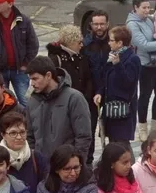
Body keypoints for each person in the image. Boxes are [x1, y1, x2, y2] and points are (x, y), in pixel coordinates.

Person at [26, 56, 93, 161]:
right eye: (30, 79)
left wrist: (75, 165)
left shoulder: (74, 98)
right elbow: (29, 136)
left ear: (48, 75)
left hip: (67, 167)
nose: (32, 84)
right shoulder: (32, 101)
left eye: (35, 79)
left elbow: (83, 136)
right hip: (41, 168)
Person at [0, 0, 39, 108]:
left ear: (10, 4)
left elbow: (33, 44)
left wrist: (26, 63)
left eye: (0, 2)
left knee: (25, 102)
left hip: (20, 70)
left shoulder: (24, 21)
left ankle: (28, 124)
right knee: (2, 103)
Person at [127, 0, 156, 141]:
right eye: (144, 8)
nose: (147, 10)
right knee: (145, 96)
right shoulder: (132, 24)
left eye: (149, 7)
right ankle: (142, 127)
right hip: (146, 64)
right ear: (135, 8)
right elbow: (144, 44)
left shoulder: (150, 19)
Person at [47, 25, 96, 156]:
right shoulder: (55, 59)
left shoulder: (81, 57)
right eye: (79, 42)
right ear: (71, 43)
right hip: (64, 105)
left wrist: (86, 97)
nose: (82, 45)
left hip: (82, 102)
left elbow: (88, 78)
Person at [95, 25, 141, 144]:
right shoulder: (113, 56)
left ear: (120, 43)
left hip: (123, 111)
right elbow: (106, 78)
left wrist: (118, 65)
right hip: (110, 109)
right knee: (113, 144)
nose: (109, 43)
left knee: (121, 145)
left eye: (111, 40)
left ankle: (130, 163)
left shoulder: (132, 59)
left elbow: (128, 84)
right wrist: (100, 92)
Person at [0, 112, 48, 193]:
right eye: (13, 133)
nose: (19, 137)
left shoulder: (37, 158)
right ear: (3, 135)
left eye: (22, 132)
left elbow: (45, 190)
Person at [82, 10, 111, 99]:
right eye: (96, 24)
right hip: (92, 90)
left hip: (110, 88)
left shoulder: (113, 42)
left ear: (107, 24)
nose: (99, 27)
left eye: (102, 24)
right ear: (91, 24)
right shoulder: (85, 44)